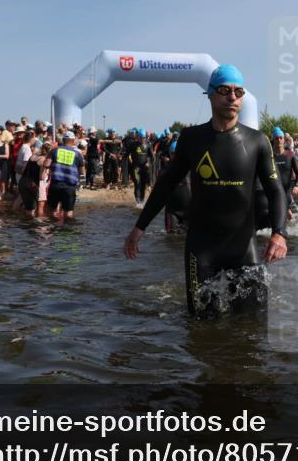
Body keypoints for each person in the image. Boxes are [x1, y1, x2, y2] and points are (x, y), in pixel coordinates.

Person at [123, 64, 287, 317]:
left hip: (244, 247)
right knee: (201, 324)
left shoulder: (258, 141)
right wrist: (139, 227)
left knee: (251, 325)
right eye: (224, 90)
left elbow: (275, 190)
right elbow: (166, 185)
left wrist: (279, 233)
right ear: (210, 94)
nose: (232, 97)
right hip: (202, 250)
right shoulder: (192, 138)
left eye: (238, 91)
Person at [44, 131, 84, 221]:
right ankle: (66, 232)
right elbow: (82, 171)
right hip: (69, 187)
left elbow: (46, 164)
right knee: (68, 212)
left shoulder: (55, 150)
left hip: (55, 185)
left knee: (51, 211)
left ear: (63, 140)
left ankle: (52, 230)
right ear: (73, 141)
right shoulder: (78, 154)